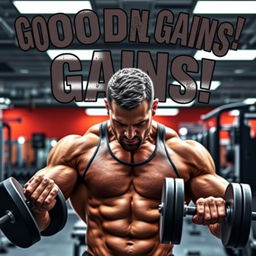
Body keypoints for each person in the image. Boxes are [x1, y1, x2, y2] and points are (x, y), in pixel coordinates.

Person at [23, 68, 229, 256]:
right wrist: (39, 208)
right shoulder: (78, 150)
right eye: (120, 123)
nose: (130, 134)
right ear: (107, 108)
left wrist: (216, 215)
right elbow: (39, 225)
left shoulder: (186, 155)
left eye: (140, 123)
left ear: (154, 108)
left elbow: (227, 229)